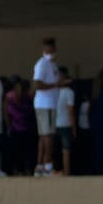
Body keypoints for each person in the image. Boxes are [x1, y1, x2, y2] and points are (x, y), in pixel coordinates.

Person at [31, 37, 60, 176]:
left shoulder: (53, 64)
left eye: (53, 48)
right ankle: (48, 165)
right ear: (44, 49)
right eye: (49, 48)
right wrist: (56, 85)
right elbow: (37, 84)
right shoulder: (42, 64)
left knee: (44, 136)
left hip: (51, 104)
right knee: (48, 136)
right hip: (45, 104)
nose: (52, 51)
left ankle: (40, 165)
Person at [54, 67, 76, 176]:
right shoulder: (68, 92)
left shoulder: (52, 92)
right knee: (66, 150)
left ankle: (56, 171)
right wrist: (74, 128)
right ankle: (66, 172)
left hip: (53, 124)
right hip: (65, 124)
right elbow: (70, 111)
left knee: (55, 149)